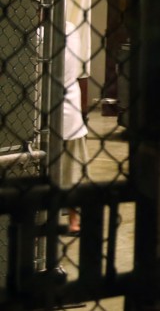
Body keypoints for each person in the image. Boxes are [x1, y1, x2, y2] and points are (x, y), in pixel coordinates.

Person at [61, 22, 90, 235]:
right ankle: (74, 220)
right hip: (69, 107)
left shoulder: (40, 33)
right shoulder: (71, 28)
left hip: (54, 106)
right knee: (72, 170)